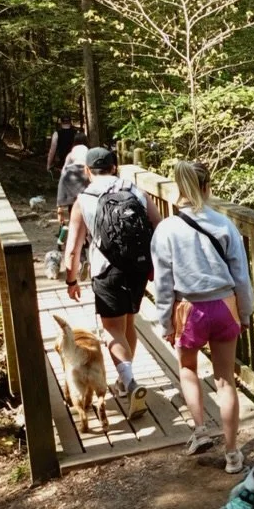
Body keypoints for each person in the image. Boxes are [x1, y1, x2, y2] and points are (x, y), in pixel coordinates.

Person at [151, 161, 254, 474]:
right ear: (207, 186)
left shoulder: (166, 229)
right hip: (224, 305)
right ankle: (233, 452)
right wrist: (245, 312)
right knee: (226, 380)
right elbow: (241, 275)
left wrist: (165, 322)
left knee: (188, 369)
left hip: (188, 308)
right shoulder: (223, 224)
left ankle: (200, 431)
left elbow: (163, 282)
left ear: (178, 188)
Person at [63, 147, 161, 417]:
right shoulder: (135, 190)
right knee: (129, 321)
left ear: (87, 171)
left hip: (107, 270)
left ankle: (129, 383)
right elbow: (159, 224)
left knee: (112, 330)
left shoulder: (84, 199)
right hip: (139, 267)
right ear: (114, 166)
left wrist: (71, 279)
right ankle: (123, 379)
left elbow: (72, 249)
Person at [55, 140, 89, 225]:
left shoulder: (67, 171)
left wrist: (60, 209)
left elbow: (61, 189)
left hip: (73, 206)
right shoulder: (90, 171)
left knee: (74, 224)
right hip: (89, 206)